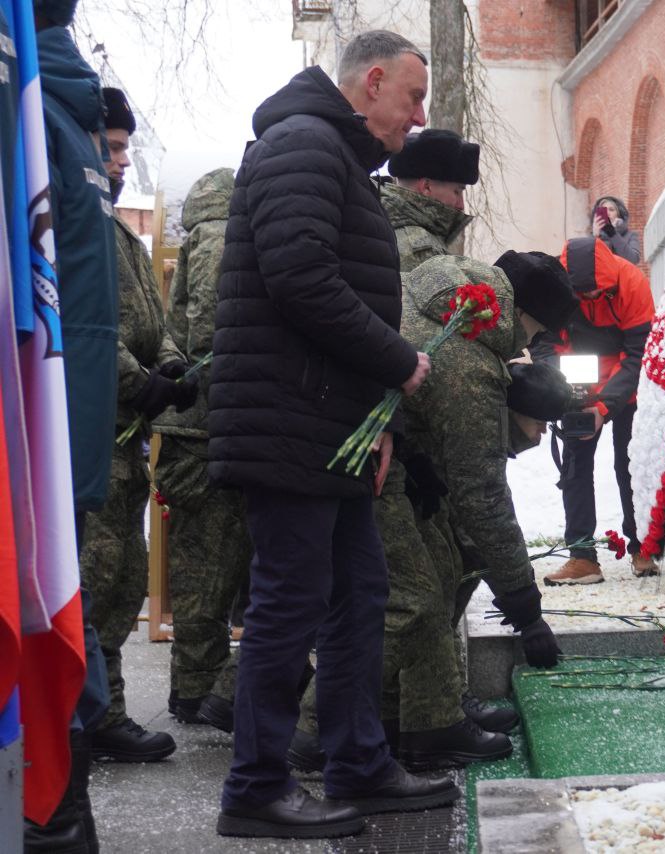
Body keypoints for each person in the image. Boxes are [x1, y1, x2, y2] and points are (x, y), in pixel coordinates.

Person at [207, 31, 454, 840]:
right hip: (290, 423)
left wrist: (373, 414)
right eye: (412, 98)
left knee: (358, 594)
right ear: (372, 81)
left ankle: (358, 763)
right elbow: (301, 275)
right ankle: (255, 787)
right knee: (290, 603)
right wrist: (400, 362)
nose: (418, 119)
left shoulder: (332, 154)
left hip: (326, 423)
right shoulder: (304, 143)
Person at [291, 127, 515, 771]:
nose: (460, 203)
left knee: (409, 588)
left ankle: (418, 715)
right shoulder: (410, 247)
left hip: (388, 429)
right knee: (401, 596)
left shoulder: (389, 231)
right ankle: (326, 728)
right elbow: (404, 333)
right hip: (377, 432)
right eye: (454, 188)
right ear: (424, 188)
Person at [386, 250, 577, 772]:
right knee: (415, 598)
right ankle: (330, 728)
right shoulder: (472, 364)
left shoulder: (448, 310)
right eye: (532, 332)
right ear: (516, 312)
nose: (524, 347)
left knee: (437, 579)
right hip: (362, 467)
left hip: (390, 460)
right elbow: (483, 499)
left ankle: (422, 719)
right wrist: (525, 610)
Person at [24, 1, 117, 848]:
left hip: (36, 428)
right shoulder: (66, 115)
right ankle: (60, 813)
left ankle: (53, 814)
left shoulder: (33, 111)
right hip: (65, 429)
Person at [80, 87, 193, 764]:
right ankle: (80, 715)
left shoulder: (116, 228)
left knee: (121, 580)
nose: (121, 160)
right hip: (95, 432)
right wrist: (139, 382)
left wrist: (173, 369)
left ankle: (101, 713)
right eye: (111, 145)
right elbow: (87, 327)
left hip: (129, 435)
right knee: (92, 579)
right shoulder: (75, 223)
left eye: (126, 147)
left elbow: (155, 318)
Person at [152, 166, 249, 734]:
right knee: (210, 566)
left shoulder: (202, 234)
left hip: (196, 424)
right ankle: (200, 690)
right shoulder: (219, 236)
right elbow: (219, 328)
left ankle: (195, 687)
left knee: (202, 566)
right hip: (207, 424)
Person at [541, 237, 658, 585]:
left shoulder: (632, 282)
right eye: (582, 295)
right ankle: (581, 555)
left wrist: (605, 404)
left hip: (625, 387)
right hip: (577, 385)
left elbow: (639, 353)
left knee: (630, 464)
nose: (590, 299)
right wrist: (562, 389)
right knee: (575, 468)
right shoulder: (553, 287)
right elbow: (546, 344)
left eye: (597, 292)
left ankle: (642, 546)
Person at [384, 128, 477, 268]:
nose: (461, 205)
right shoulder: (420, 248)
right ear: (426, 187)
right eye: (457, 192)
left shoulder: (379, 222)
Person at [590, 195, 641, 264]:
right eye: (604, 210)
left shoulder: (631, 235)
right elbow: (589, 262)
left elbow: (633, 260)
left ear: (619, 214)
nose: (607, 213)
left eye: (611, 210)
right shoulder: (593, 237)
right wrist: (595, 237)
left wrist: (613, 233)